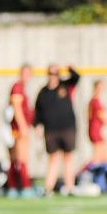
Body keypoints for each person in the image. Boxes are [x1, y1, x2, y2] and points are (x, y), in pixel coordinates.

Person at [33, 64, 80, 195]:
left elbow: (77, 77)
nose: (53, 77)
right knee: (53, 158)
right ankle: (48, 188)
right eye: (51, 74)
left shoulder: (65, 85)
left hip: (67, 128)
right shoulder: (43, 92)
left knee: (68, 157)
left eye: (55, 74)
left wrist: (69, 68)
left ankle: (70, 187)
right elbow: (37, 112)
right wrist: (37, 125)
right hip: (51, 130)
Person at [6, 64, 36, 197]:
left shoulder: (21, 88)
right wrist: (23, 126)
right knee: (21, 157)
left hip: (18, 127)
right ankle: (25, 187)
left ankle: (13, 187)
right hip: (17, 129)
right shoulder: (17, 87)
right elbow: (17, 108)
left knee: (16, 158)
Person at [86, 79, 107, 165]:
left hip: (96, 130)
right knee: (97, 157)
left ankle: (102, 177)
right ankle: (79, 175)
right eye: (100, 87)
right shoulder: (95, 101)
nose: (102, 89)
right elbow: (102, 117)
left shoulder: (94, 100)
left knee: (105, 157)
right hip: (95, 131)